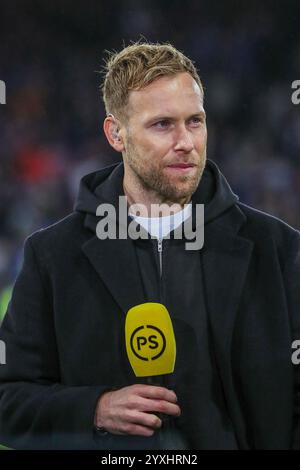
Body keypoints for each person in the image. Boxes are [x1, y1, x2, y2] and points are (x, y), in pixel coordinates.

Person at [0, 41, 300, 450]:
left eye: (195, 121)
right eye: (162, 124)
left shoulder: (279, 251)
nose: (186, 142)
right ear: (116, 133)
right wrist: (94, 408)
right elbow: (9, 400)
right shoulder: (53, 257)